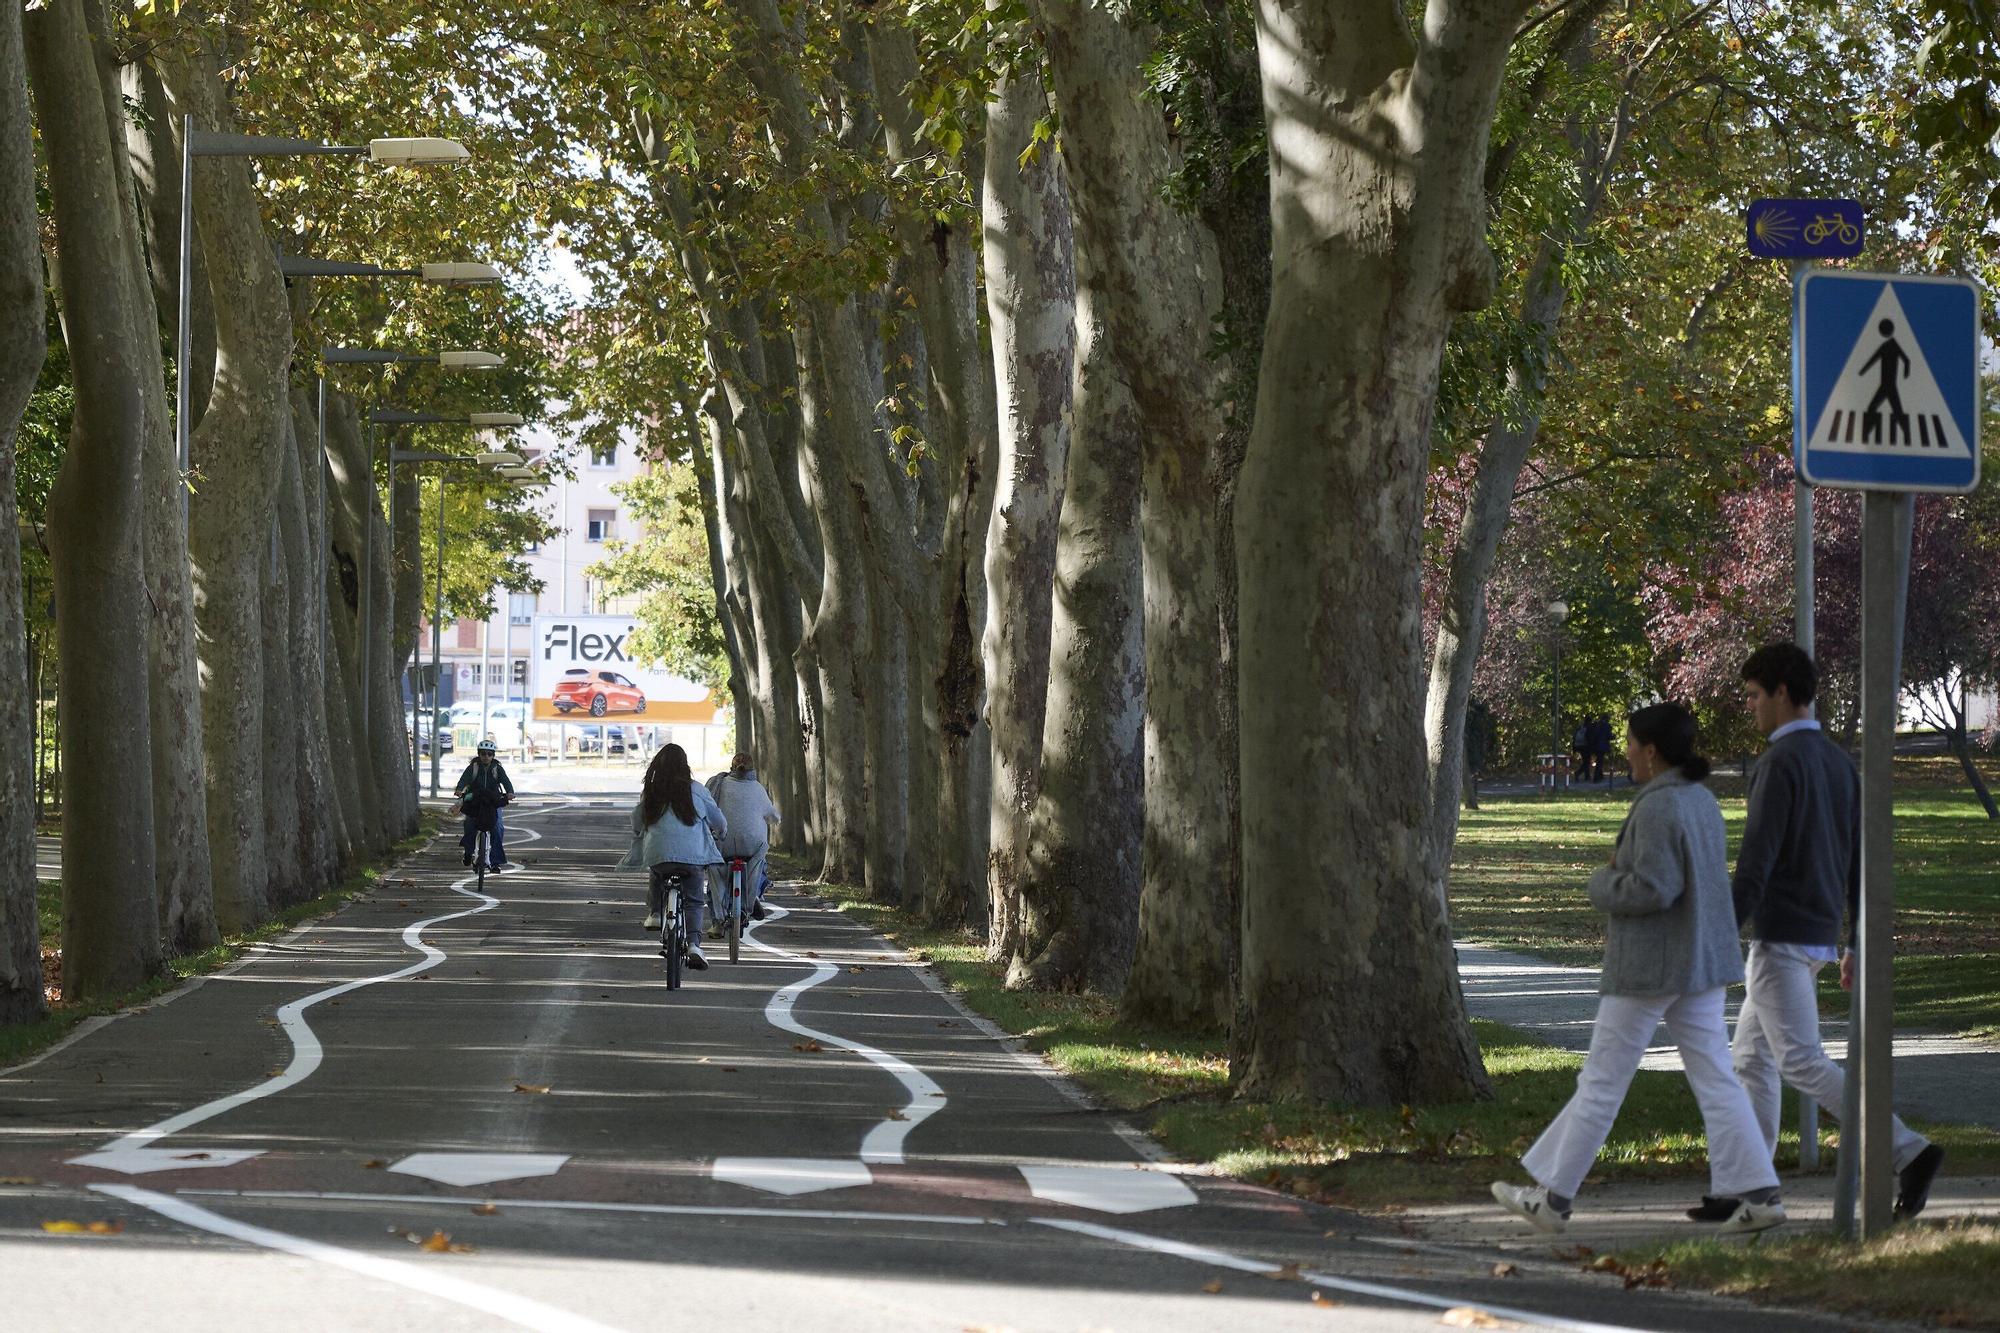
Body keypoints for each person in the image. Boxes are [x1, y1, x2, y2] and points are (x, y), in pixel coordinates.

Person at [1492, 703, 1784, 1235]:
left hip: (1651, 967)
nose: (1623, 750)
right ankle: (1761, 1195)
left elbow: (1655, 888)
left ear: (1651, 751)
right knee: (1717, 1081)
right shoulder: (1700, 799)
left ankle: (1553, 1201)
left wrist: (1601, 883)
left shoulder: (1658, 806)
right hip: (1699, 963)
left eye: (1629, 742)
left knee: (1602, 1082)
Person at [1705, 643, 1945, 1224]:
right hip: (1817, 933)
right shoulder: (1840, 763)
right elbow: (1860, 860)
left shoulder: (1779, 764)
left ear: (1783, 692)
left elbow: (1755, 864)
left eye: (1755, 695)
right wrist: (1855, 940)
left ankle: (1908, 1151)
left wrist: (1714, 938)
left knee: (1800, 1062)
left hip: (1782, 936)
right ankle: (1747, 1185)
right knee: (1752, 1058)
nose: (1751, 706)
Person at [622, 743, 727, 970]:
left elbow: (637, 820)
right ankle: (694, 945)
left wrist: (640, 832)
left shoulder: (651, 791)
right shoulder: (697, 790)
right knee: (694, 900)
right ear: (684, 766)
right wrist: (722, 832)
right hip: (692, 858)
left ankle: (656, 913)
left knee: (657, 872)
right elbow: (718, 820)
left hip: (659, 856)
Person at [705, 753, 783, 923]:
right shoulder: (758, 788)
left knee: (714, 873)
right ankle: (754, 894)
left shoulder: (720, 784)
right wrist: (776, 818)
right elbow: (773, 817)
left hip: (723, 843)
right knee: (761, 864)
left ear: (731, 768)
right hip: (752, 846)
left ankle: (717, 918)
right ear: (752, 769)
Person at [454, 737, 514, 869]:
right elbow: (464, 779)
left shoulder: (497, 769)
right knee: (469, 825)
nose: (486, 756)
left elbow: (506, 781)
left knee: (498, 827)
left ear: (493, 755)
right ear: (479, 754)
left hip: (493, 801)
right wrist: (459, 789)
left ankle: (495, 861)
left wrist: (510, 792)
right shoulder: (473, 768)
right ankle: (468, 853)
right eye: (483, 753)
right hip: (475, 800)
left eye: (489, 754)